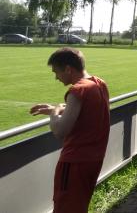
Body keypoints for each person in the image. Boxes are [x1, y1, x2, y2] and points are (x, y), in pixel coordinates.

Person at [30, 47, 110, 213]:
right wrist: (56, 108)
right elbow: (86, 112)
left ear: (68, 69)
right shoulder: (98, 84)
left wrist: (53, 113)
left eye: (56, 72)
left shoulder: (78, 90)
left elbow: (60, 131)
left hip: (74, 163)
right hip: (93, 160)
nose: (56, 78)